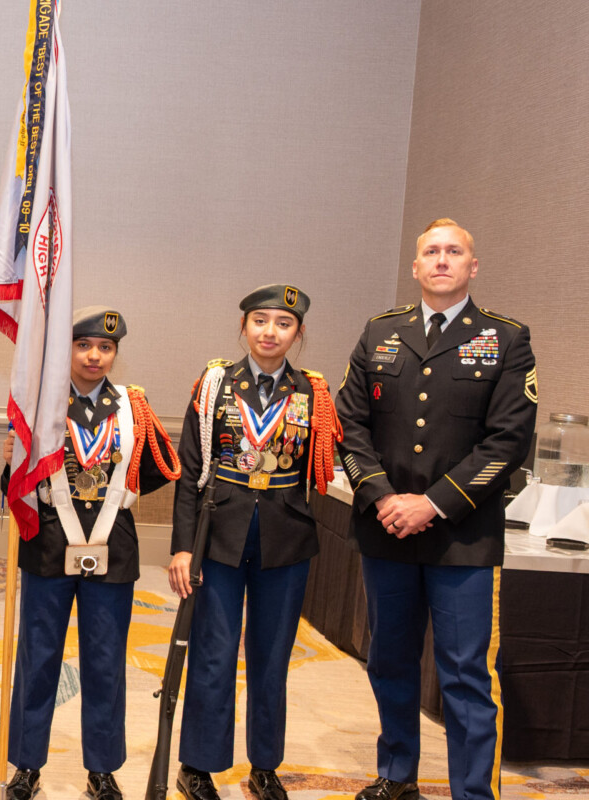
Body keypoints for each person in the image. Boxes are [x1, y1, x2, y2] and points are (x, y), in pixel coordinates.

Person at [335, 219, 537, 800]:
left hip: (463, 538)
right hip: (387, 530)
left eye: (454, 252)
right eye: (431, 252)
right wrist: (382, 497)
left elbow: (508, 442)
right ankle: (397, 776)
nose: (442, 260)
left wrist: (434, 503)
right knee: (389, 662)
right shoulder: (380, 332)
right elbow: (350, 426)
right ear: (417, 267)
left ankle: (473, 792)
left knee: (465, 675)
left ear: (473, 267)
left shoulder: (506, 338)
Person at [166, 285, 343, 800]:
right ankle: (197, 765)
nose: (270, 332)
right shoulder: (215, 384)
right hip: (218, 536)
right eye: (260, 321)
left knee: (272, 657)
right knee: (213, 655)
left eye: (283, 324)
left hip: (285, 541)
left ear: (299, 333)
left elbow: (329, 458)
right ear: (243, 327)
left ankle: (265, 765)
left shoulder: (314, 393)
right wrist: (182, 547)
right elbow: (190, 471)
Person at [3, 307, 179, 800]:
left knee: (105, 661)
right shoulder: (38, 403)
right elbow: (14, 482)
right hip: (49, 546)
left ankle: (102, 768)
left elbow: (161, 467)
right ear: (67, 350)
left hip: (112, 548)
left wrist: (117, 492)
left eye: (105, 347)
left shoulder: (132, 405)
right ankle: (27, 764)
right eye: (83, 346)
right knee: (38, 660)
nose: (95, 356)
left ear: (115, 353)